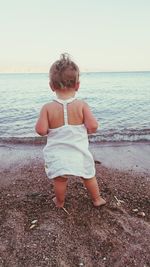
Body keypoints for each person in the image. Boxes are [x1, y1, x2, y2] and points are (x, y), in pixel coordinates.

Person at [35, 53, 106, 209]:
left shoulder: (47, 108)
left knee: (60, 179)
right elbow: (93, 126)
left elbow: (40, 130)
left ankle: (60, 202)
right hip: (79, 151)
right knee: (88, 176)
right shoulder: (81, 105)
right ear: (77, 85)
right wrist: (86, 129)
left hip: (57, 153)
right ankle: (97, 199)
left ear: (51, 86)